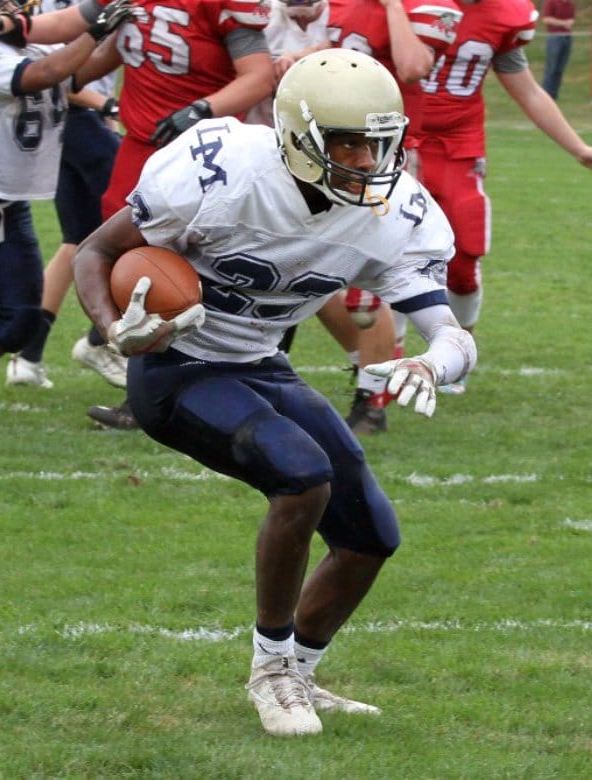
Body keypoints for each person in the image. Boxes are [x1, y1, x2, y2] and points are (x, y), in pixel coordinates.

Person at [74, 49, 477, 737]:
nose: (364, 159)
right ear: (298, 134)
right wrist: (116, 331)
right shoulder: (221, 171)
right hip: (178, 370)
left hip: (261, 364)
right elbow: (95, 252)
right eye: (346, 142)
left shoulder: (394, 210)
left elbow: (452, 333)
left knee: (369, 537)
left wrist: (431, 366)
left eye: (377, 142)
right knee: (301, 476)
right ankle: (269, 673)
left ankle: (303, 674)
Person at [0, 0, 275, 427]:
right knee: (135, 275)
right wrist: (12, 26)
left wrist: (203, 109)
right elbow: (63, 30)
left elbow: (258, 75)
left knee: (214, 275)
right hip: (140, 152)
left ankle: (236, 383)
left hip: (208, 156)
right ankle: (142, 393)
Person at [410, 0, 592, 394]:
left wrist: (579, 148)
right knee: (380, 251)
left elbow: (528, 92)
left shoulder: (503, 15)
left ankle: (456, 353)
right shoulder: (411, 5)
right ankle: (369, 370)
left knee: (464, 255)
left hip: (458, 146)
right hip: (394, 137)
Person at [319, 0, 465, 433]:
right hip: (324, 155)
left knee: (371, 288)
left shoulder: (430, 8)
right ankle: (365, 374)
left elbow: (413, 65)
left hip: (380, 162)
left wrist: (394, 7)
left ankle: (372, 401)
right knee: (309, 274)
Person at [0, 0, 131, 370]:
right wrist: (97, 29)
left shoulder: (29, 42)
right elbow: (43, 74)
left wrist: (132, 33)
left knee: (20, 322)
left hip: (9, 207)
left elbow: (74, 75)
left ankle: (30, 360)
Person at [541, 0, 576, 100]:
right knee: (552, 67)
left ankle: (553, 94)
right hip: (554, 37)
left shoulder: (570, 4)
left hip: (567, 37)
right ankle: (546, 94)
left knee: (560, 68)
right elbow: (546, 19)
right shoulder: (551, 2)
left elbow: (572, 19)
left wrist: (570, 23)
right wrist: (563, 23)